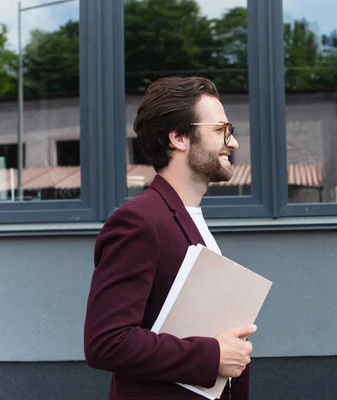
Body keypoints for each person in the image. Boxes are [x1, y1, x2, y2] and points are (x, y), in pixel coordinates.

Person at [84, 76, 256, 400]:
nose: (232, 143)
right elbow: (106, 342)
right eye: (221, 130)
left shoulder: (187, 217)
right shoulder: (139, 222)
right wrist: (212, 356)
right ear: (178, 137)